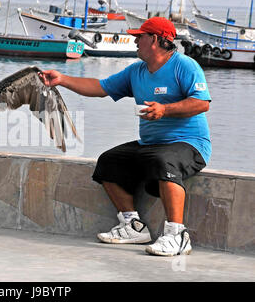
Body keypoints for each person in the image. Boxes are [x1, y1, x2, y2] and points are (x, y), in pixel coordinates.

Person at [39, 17, 211, 256]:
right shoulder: (136, 71)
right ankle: (132, 225)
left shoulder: (185, 65)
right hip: (151, 144)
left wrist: (164, 109)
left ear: (155, 40)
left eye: (139, 36)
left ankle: (176, 235)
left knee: (165, 161)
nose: (134, 40)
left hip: (190, 144)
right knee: (109, 161)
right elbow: (100, 87)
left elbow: (201, 103)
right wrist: (63, 79)